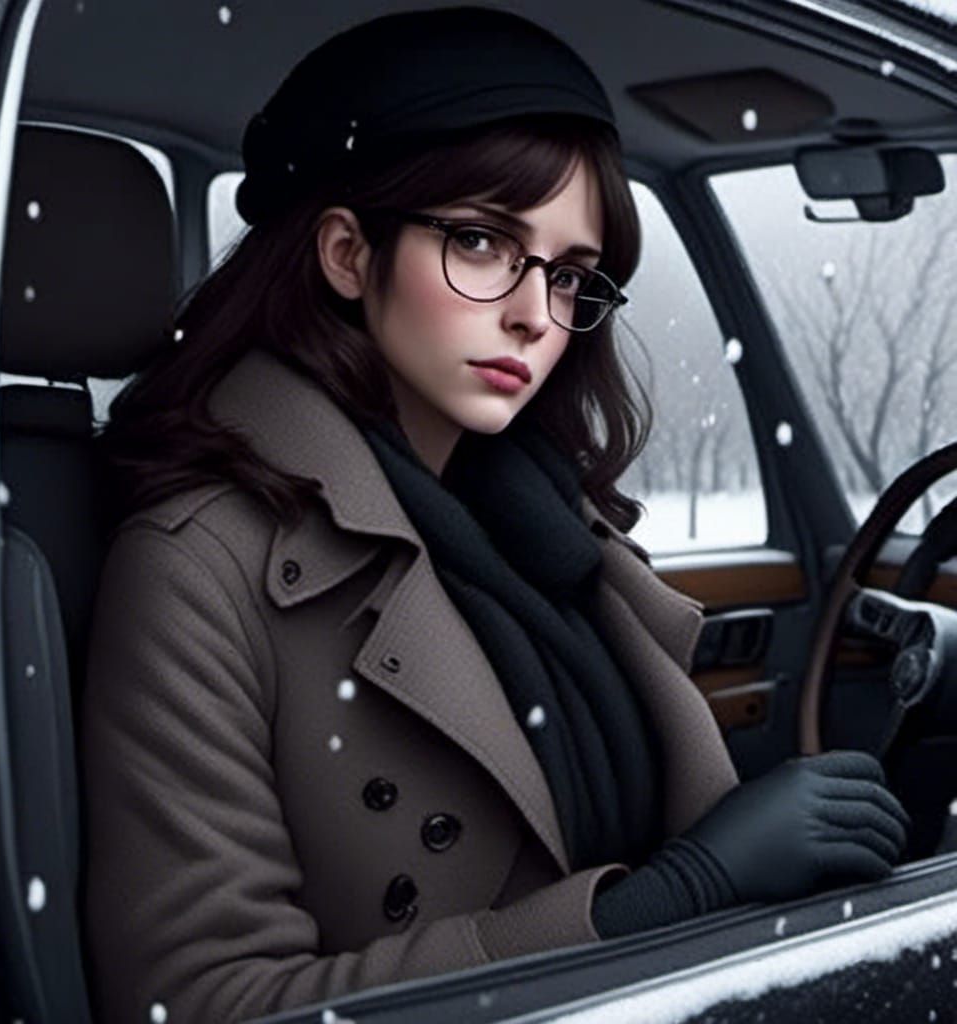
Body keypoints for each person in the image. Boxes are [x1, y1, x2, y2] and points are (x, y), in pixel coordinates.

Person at [80, 7, 911, 1023]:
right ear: (347, 254)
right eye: (481, 241)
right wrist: (659, 903)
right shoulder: (198, 562)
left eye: (569, 274)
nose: (534, 312)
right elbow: (205, 1001)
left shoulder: (550, 523)